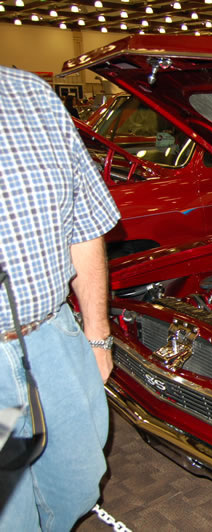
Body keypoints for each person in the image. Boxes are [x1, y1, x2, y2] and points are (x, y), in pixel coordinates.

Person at [0, 66, 120, 530]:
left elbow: (85, 226)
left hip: (54, 339)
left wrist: (97, 335)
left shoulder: (33, 95)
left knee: (78, 483)